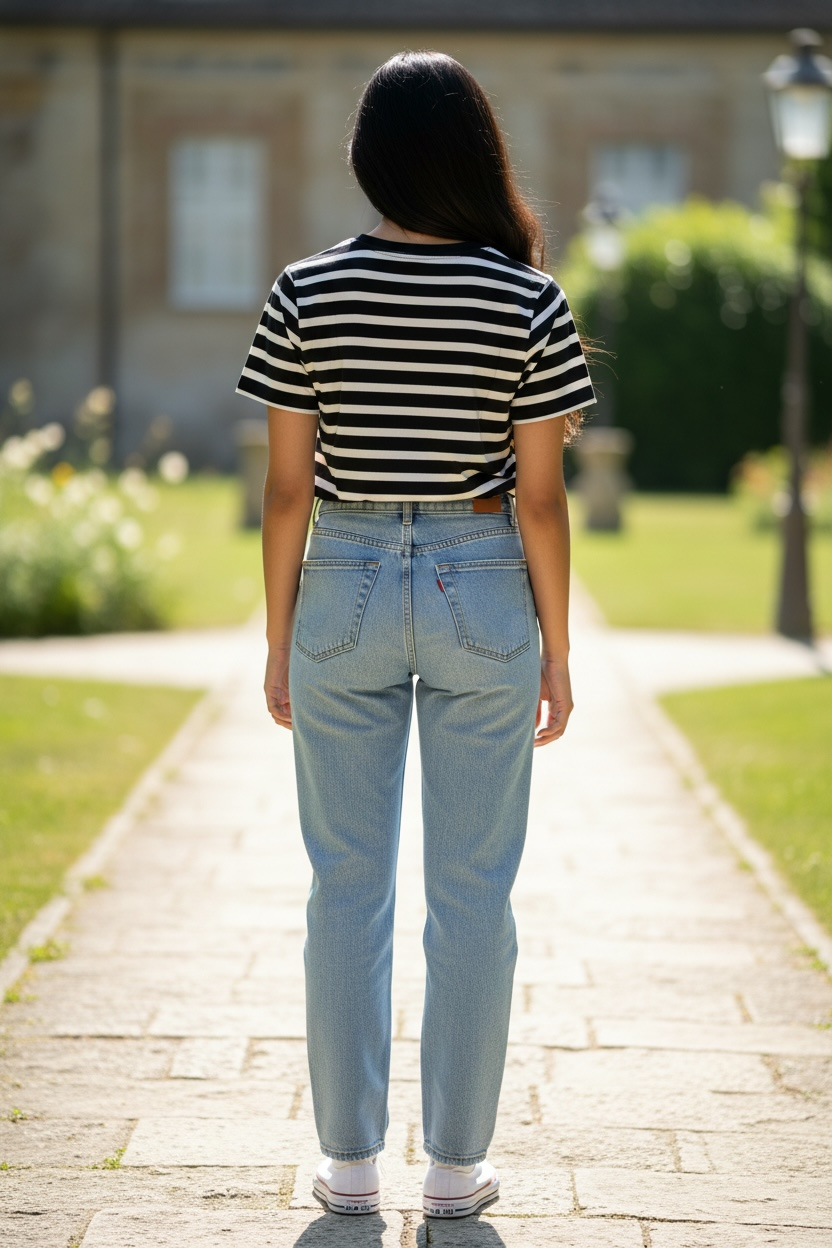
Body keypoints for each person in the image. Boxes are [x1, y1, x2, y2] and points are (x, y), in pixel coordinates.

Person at [236, 50, 595, 1219]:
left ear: (369, 160)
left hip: (340, 578)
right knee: (474, 891)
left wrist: (280, 634)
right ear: (477, 155)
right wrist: (556, 646)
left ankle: (347, 1166)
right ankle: (452, 1170)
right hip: (480, 580)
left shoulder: (306, 291)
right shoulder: (525, 299)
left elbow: (286, 491)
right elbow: (541, 499)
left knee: (344, 885)